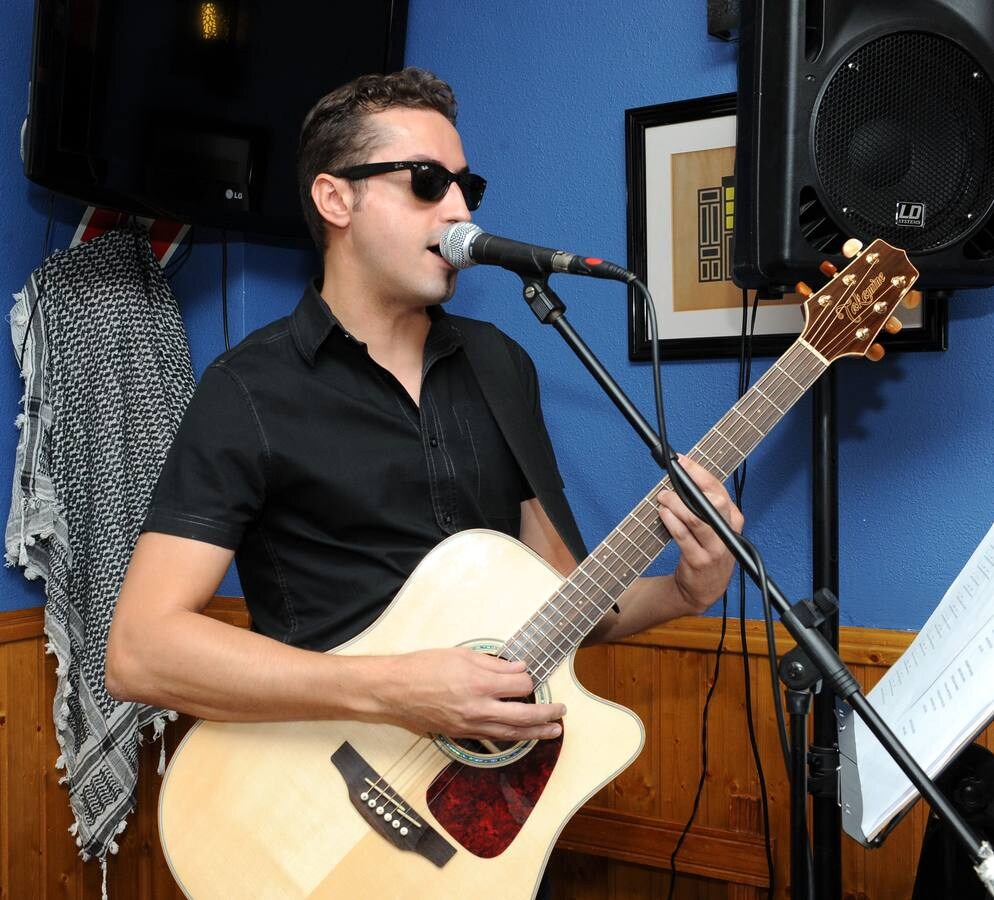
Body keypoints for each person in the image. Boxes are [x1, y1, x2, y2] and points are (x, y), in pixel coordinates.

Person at [106, 66, 742, 761]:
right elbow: (141, 651)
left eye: (466, 186)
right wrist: (388, 689)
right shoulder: (249, 388)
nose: (459, 211)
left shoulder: (500, 365)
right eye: (426, 182)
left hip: (492, 803)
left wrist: (684, 591)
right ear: (335, 199)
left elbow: (567, 607)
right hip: (322, 808)